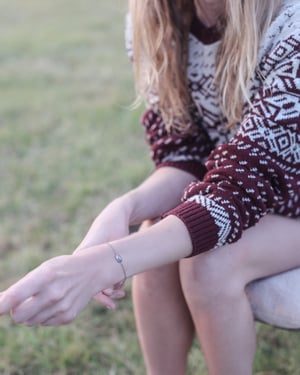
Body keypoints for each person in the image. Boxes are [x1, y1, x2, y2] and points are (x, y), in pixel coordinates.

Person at [0, 0, 299, 374]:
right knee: (155, 241)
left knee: (210, 263)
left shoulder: (292, 28)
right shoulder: (158, 19)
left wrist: (102, 264)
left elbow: (240, 188)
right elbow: (187, 156)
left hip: (287, 198)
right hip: (251, 194)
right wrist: (122, 210)